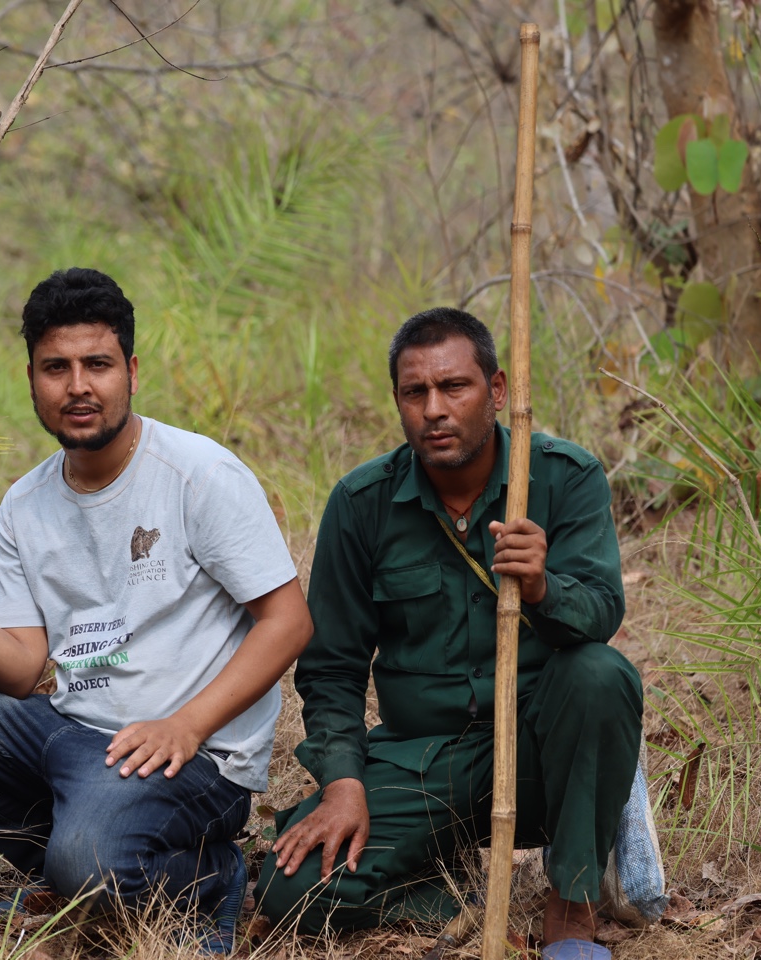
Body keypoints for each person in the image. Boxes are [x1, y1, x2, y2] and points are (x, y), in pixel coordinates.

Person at [0, 267, 314, 954]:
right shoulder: (23, 506)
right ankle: (76, 860)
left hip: (194, 756)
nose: (78, 386)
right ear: (31, 378)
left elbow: (288, 622)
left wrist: (186, 725)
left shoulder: (198, 475)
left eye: (97, 365)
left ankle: (208, 877)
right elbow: (21, 670)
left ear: (131, 371)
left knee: (91, 861)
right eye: (57, 368)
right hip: (73, 732)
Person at [254, 308, 642, 960]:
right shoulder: (362, 502)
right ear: (398, 401)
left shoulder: (563, 477)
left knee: (601, 674)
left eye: (454, 387)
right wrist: (344, 784)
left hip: (539, 751)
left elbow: (602, 613)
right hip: (421, 757)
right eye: (415, 392)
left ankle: (572, 895)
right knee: (288, 889)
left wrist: (543, 586)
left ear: (497, 390)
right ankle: (462, 901)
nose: (434, 409)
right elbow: (332, 667)